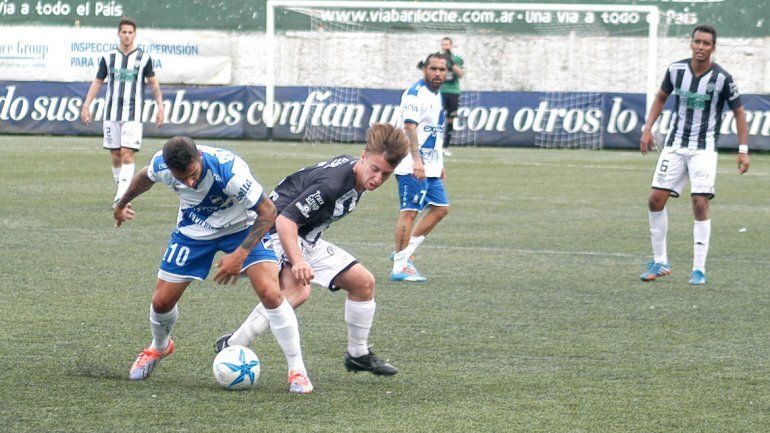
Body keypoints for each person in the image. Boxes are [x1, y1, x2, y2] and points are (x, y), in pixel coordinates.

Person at [114, 136, 313, 394]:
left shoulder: (229, 171)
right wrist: (121, 204)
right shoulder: (162, 165)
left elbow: (268, 211)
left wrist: (239, 255)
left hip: (241, 227)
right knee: (161, 303)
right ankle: (160, 346)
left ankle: (297, 370)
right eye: (181, 178)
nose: (189, 182)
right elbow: (144, 176)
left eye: (193, 175)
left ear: (199, 157)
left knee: (271, 293)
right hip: (195, 229)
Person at [215, 123, 409, 377]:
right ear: (363, 156)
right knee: (297, 291)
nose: (377, 179)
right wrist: (297, 262)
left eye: (385, 174)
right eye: (375, 169)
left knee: (363, 283)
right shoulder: (334, 185)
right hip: (276, 230)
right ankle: (233, 343)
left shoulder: (355, 173)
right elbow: (285, 220)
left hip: (306, 236)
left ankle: (358, 354)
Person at [640, 24, 749, 285]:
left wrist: (743, 150)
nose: (701, 47)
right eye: (697, 42)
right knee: (655, 200)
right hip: (675, 145)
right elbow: (660, 97)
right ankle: (660, 261)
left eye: (706, 44)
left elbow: (739, 113)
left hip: (704, 148)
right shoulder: (676, 70)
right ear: (691, 43)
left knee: (700, 203)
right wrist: (648, 128)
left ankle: (698, 269)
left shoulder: (723, 78)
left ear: (713, 47)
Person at [81, 17, 165, 209]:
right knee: (116, 156)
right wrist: (87, 105)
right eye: (124, 32)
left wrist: (160, 107)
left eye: (130, 32)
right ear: (119, 34)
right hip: (111, 114)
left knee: (127, 153)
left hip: (133, 114)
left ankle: (120, 197)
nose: (127, 35)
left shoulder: (143, 58)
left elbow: (153, 84)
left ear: (134, 35)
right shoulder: (108, 57)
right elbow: (98, 81)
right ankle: (124, 194)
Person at [390, 53, 449, 283]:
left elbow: (433, 131)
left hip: (431, 165)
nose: (437, 73)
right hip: (412, 165)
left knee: (440, 209)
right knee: (409, 212)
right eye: (433, 69)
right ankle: (399, 267)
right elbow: (410, 128)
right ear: (425, 69)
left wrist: (438, 164)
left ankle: (405, 251)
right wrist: (417, 161)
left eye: (442, 70)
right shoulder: (415, 94)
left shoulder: (438, 94)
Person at [439, 37, 464, 157]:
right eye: (443, 45)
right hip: (441, 91)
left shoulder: (457, 59)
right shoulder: (438, 59)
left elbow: (460, 75)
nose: (445, 47)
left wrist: (452, 63)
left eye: (447, 44)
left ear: (451, 46)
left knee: (450, 119)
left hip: (453, 92)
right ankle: (434, 145)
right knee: (436, 117)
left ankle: (445, 146)